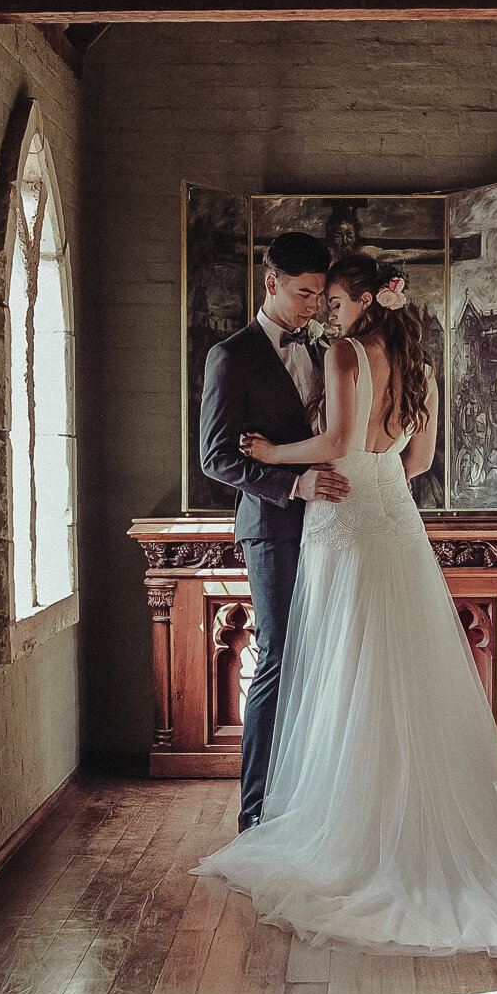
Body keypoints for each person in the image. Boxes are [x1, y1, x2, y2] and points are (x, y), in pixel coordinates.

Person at [197, 253, 497, 956]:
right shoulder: (423, 370)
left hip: (343, 520)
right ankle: (408, 819)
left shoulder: (344, 352)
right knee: (400, 666)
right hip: (393, 518)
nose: (328, 312)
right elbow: (420, 460)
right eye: (319, 298)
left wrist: (277, 451)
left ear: (364, 299)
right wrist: (375, 478)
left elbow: (339, 442)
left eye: (334, 299)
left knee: (342, 666)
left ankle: (348, 826)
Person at [199, 232, 349, 833]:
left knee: (321, 661)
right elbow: (216, 458)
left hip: (331, 527)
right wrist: (292, 485)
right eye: (303, 293)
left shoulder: (321, 349)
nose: (313, 305)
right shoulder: (230, 356)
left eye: (319, 294)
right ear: (271, 283)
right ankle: (255, 816)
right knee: (278, 661)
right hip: (273, 526)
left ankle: (308, 804)